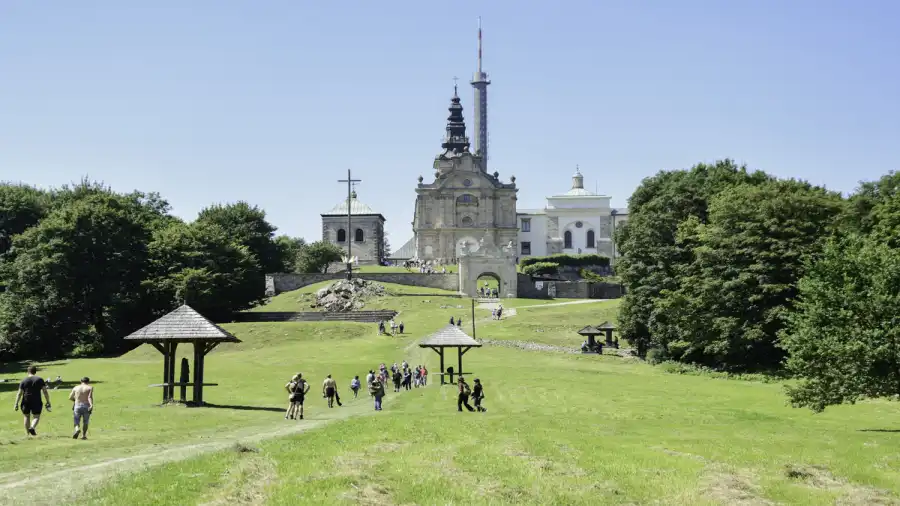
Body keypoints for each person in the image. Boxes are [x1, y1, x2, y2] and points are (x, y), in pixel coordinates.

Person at [14, 366, 51, 436]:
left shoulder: (23, 380)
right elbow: (45, 391)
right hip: (36, 400)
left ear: (28, 371)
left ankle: (27, 434)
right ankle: (32, 427)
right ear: (35, 371)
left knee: (26, 416)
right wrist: (48, 401)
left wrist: (16, 403)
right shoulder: (39, 379)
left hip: (25, 400)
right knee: (36, 416)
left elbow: (19, 393)